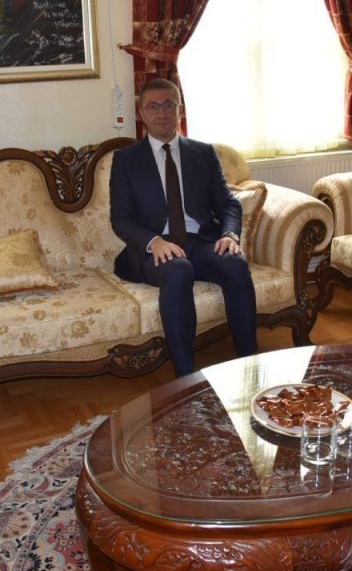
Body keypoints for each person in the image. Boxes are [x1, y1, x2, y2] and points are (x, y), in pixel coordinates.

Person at [110, 78, 257, 377]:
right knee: (178, 269)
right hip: (154, 248)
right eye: (153, 107)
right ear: (141, 113)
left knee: (235, 263)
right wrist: (153, 241)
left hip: (199, 241)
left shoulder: (203, 153)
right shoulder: (126, 160)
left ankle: (250, 360)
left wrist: (230, 234)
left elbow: (228, 203)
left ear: (180, 109)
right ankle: (186, 375)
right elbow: (121, 219)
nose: (162, 113)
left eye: (169, 105)